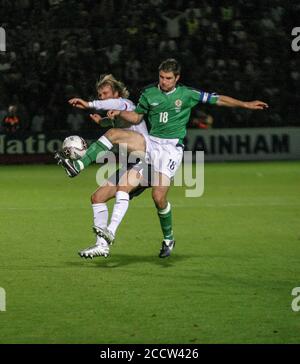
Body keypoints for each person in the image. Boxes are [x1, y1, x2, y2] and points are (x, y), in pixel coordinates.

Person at [56, 58, 268, 258]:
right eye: (161, 77)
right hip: (150, 143)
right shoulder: (149, 94)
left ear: (177, 78)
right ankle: (81, 172)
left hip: (171, 149)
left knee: (158, 197)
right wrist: (113, 117)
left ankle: (168, 239)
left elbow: (217, 99)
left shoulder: (187, 94)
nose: (164, 82)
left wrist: (246, 104)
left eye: (168, 78)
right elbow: (136, 116)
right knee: (111, 165)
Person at [62, 74, 149, 258]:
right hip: (130, 166)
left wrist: (89, 104)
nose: (102, 97)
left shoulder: (126, 104)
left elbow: (116, 110)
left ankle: (79, 164)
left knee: (112, 133)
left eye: (105, 93)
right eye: (100, 95)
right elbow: (113, 120)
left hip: (147, 160)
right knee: (97, 197)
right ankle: (101, 245)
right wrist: (100, 121)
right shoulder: (115, 115)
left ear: (116, 94)